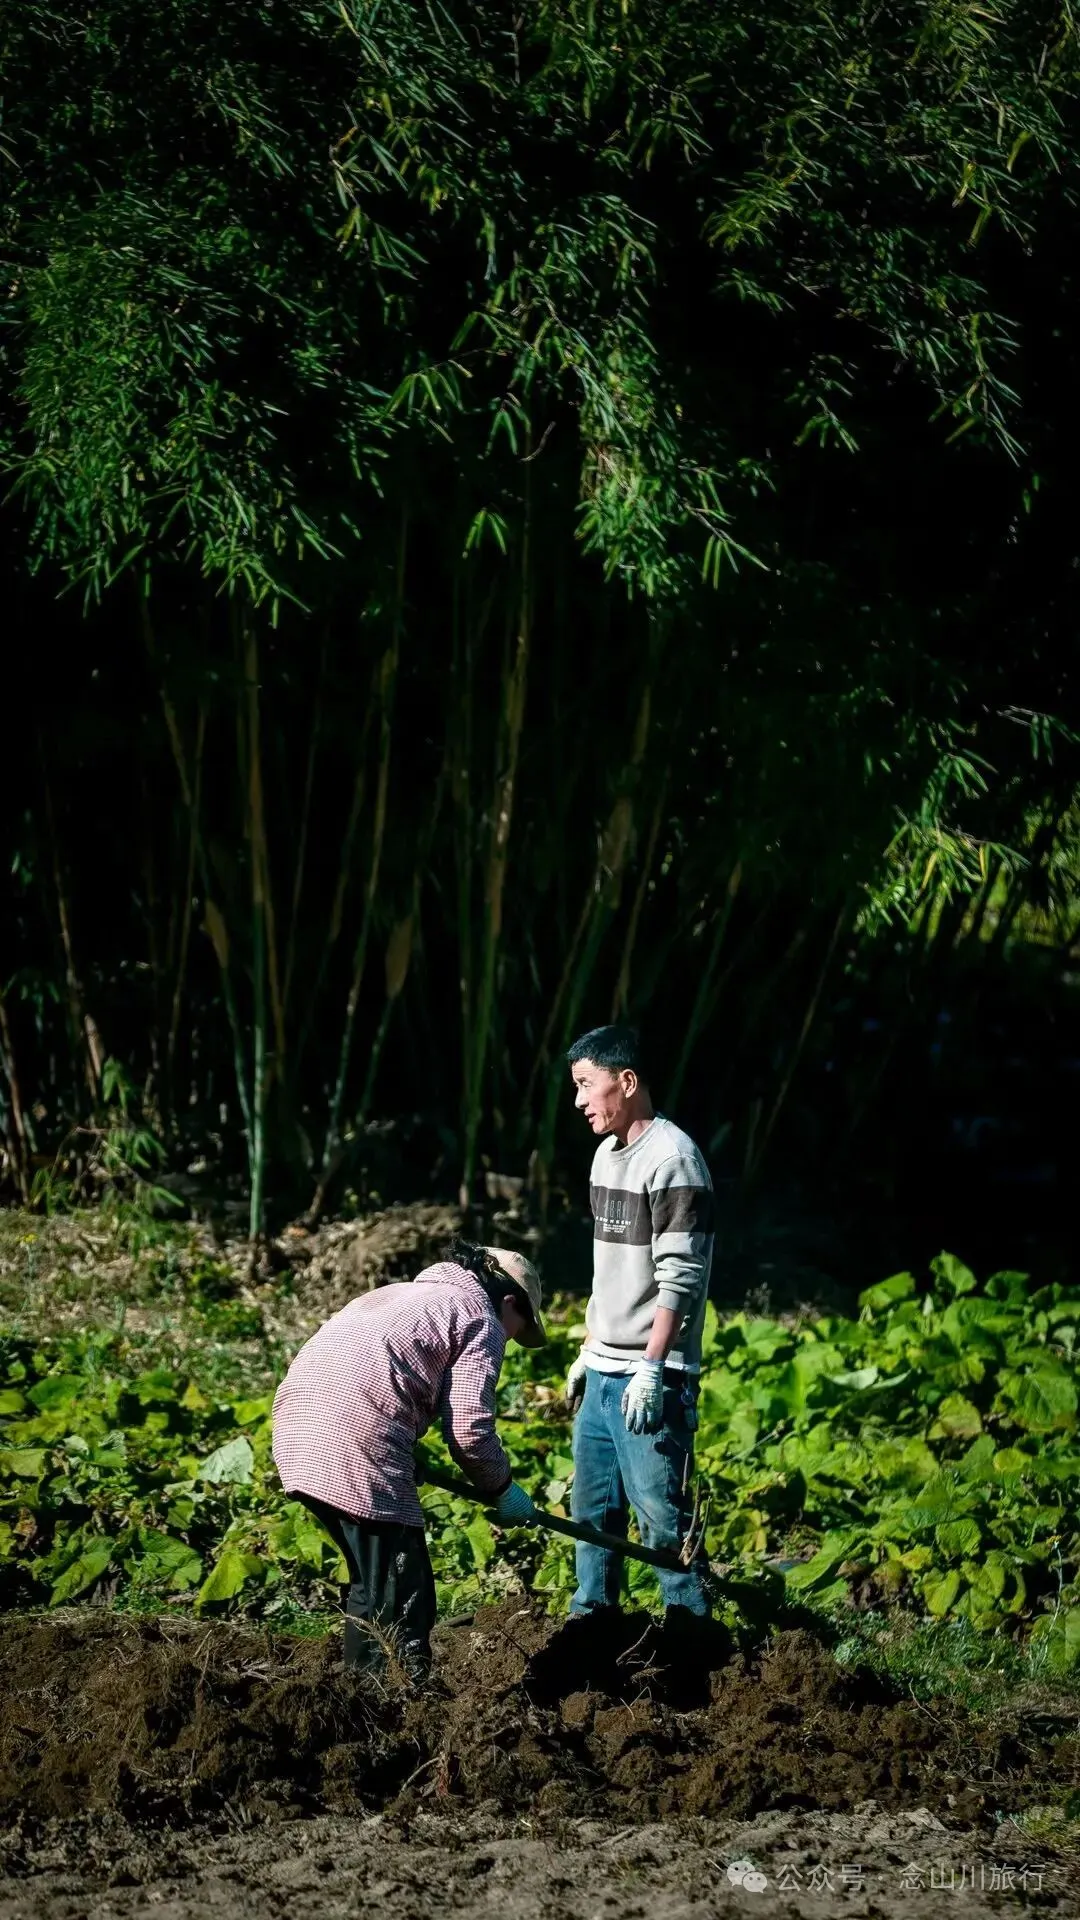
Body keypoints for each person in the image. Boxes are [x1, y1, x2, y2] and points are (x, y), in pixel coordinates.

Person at [271, 1239, 543, 1681]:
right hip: (355, 1444)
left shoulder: (399, 1294)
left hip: (298, 1430)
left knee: (375, 1584)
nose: (512, 1338)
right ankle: (399, 1703)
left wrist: (401, 1453)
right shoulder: (481, 1317)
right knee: (403, 1600)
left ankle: (362, 1696)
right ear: (510, 1303)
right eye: (520, 1327)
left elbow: (370, 1373)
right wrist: (502, 1489)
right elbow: (470, 1430)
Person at [564, 1023, 712, 1622]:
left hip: (653, 1375)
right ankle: (592, 1623)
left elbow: (681, 1277)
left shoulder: (674, 1159)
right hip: (604, 1369)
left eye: (586, 1084)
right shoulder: (605, 1156)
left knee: (660, 1515)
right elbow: (610, 1270)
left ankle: (691, 1630)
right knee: (591, 1514)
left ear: (626, 1082)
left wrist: (652, 1368)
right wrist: (589, 1348)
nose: (579, 1100)